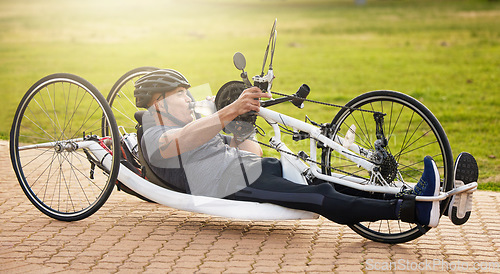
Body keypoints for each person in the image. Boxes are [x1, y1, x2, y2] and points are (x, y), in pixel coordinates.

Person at [134, 69, 442, 227]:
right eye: (180, 95)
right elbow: (179, 141)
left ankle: (415, 193)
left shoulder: (195, 128)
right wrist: (228, 111)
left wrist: (243, 125)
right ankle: (411, 211)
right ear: (159, 103)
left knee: (330, 181)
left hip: (250, 168)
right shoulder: (155, 133)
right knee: (320, 196)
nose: (189, 100)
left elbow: (252, 152)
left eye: (189, 94)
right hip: (227, 183)